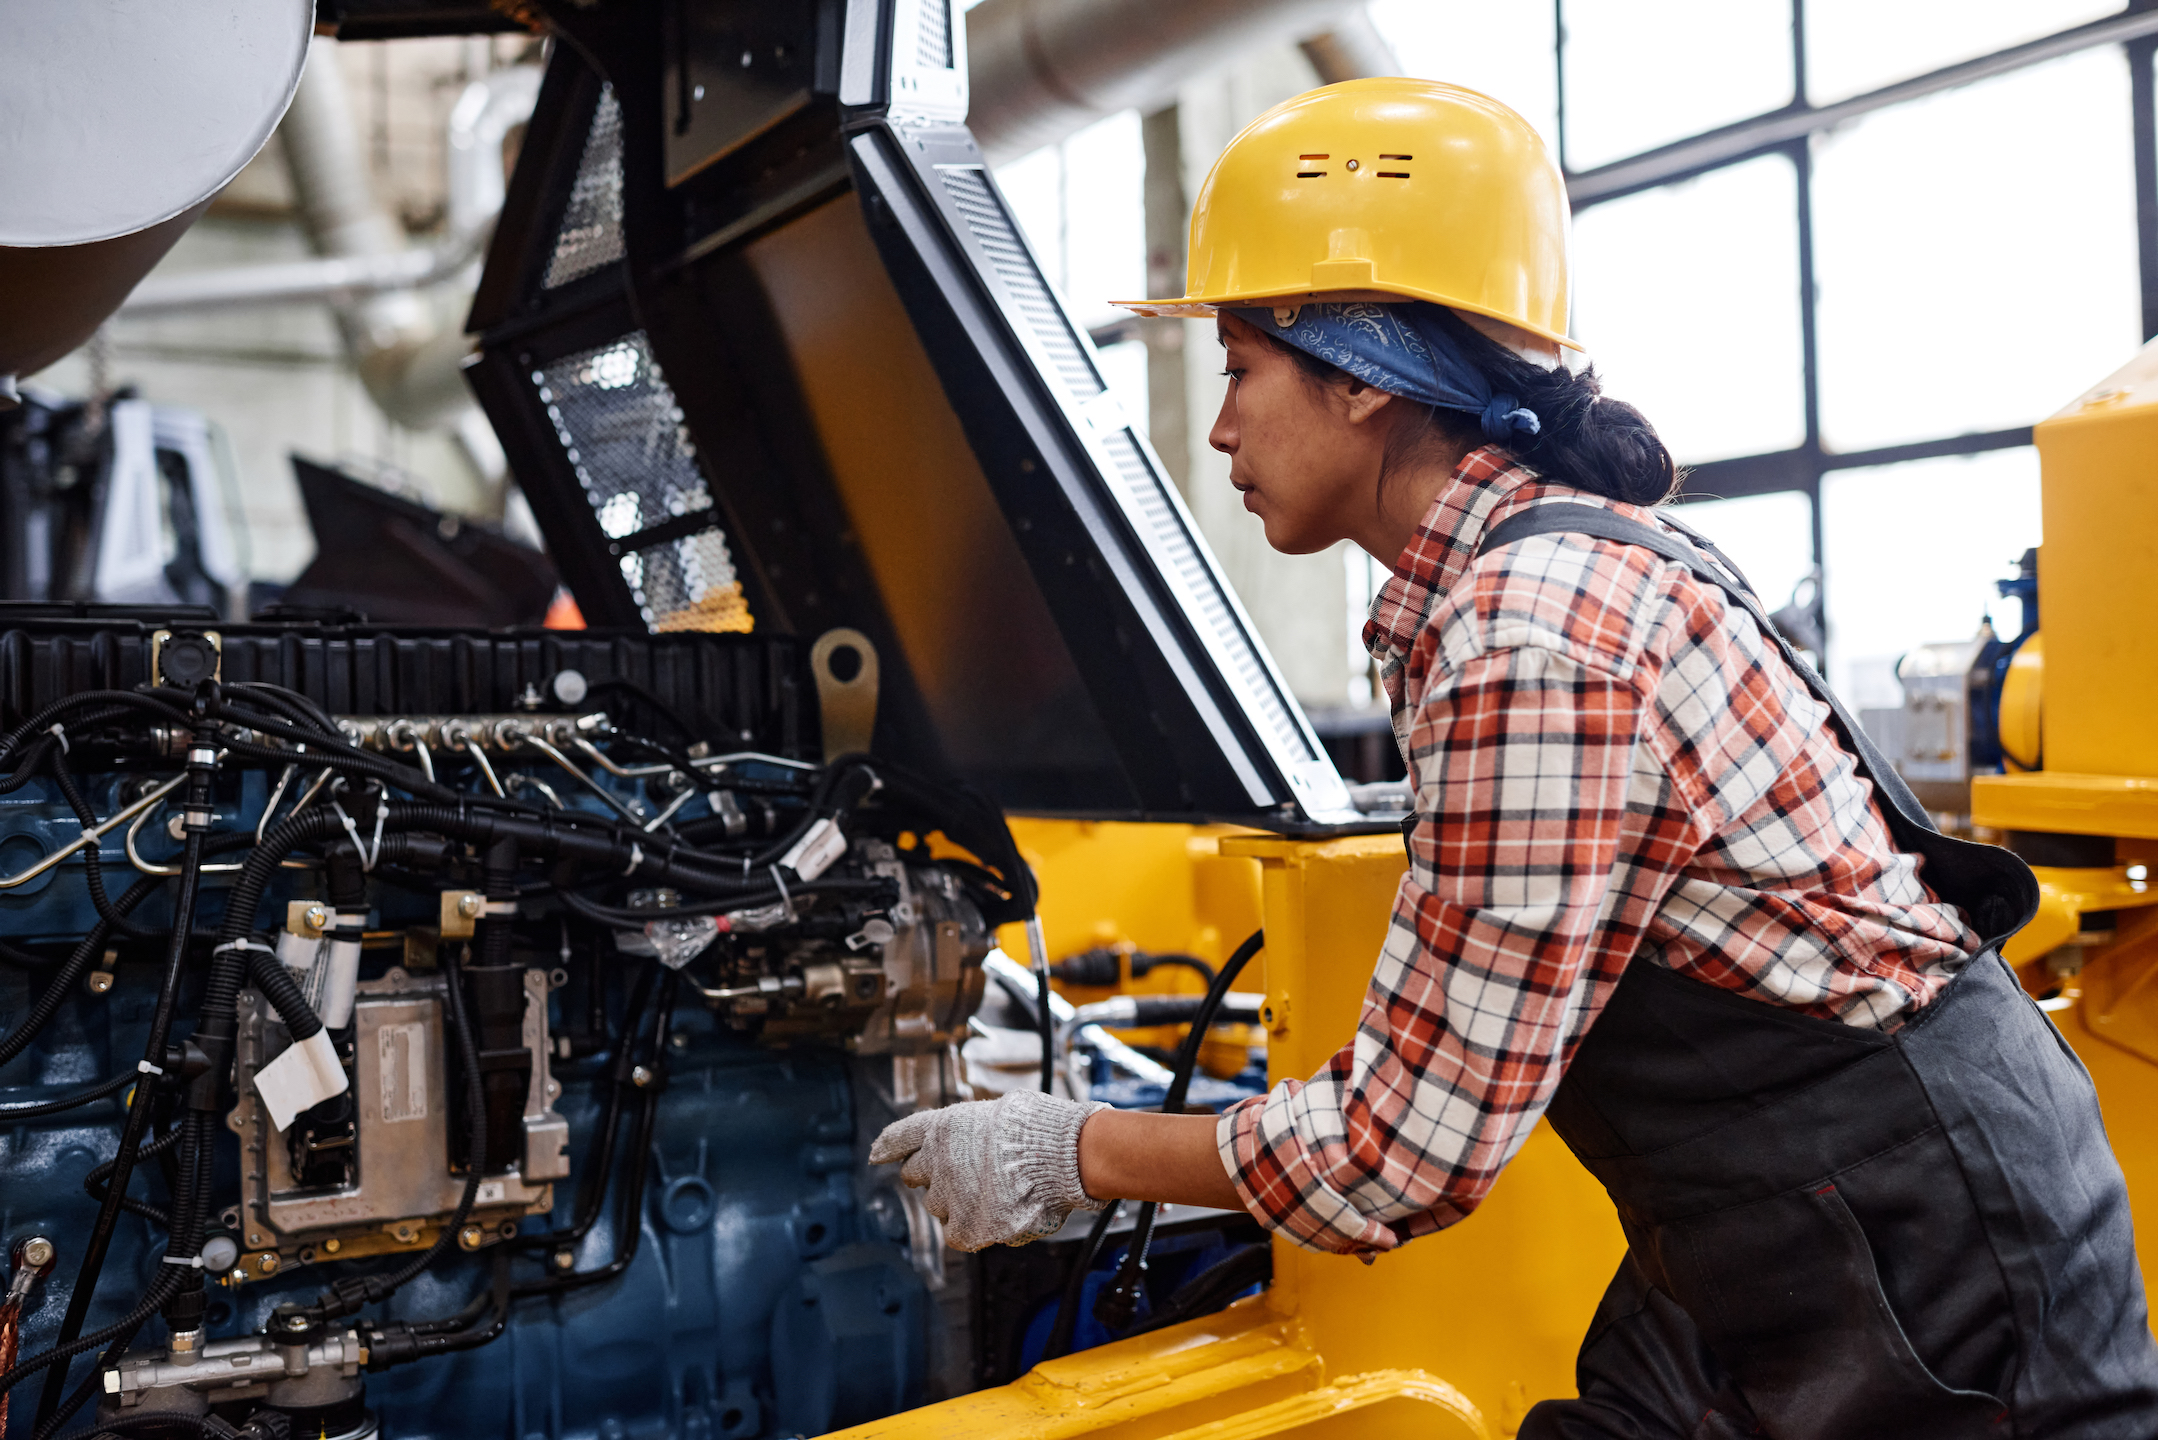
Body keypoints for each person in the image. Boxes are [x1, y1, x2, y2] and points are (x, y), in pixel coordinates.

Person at [871, 78, 2158, 1437]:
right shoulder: (1516, 581)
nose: (1218, 427)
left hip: (1927, 1267)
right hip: (1783, 1219)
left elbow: (1398, 1158)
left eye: (1240, 369)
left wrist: (1064, 1154)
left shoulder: (1526, 635)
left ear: (1363, 378)